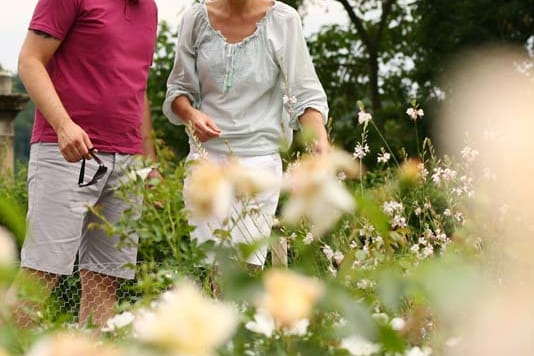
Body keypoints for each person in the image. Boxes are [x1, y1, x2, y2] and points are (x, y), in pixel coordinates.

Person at [13, 0, 159, 327]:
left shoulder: (148, 8)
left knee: (105, 282)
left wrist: (149, 162)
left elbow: (139, 86)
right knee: (40, 276)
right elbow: (29, 60)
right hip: (65, 153)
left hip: (127, 161)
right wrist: (63, 125)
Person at [163, 0, 329, 269]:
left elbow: (305, 94)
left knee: (246, 272)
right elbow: (178, 90)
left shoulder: (284, 20)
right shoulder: (195, 19)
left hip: (259, 165)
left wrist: (319, 140)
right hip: (207, 163)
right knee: (218, 271)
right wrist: (192, 115)